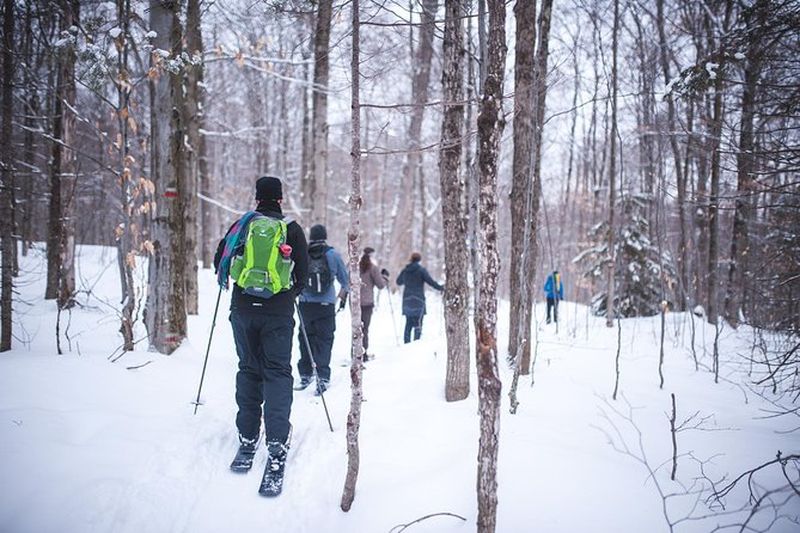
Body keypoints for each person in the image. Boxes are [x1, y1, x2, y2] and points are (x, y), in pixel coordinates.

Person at [213, 176, 308, 491]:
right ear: (280, 199)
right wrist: (284, 296)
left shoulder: (241, 226)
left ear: (257, 198)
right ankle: (277, 445)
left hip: (243, 311)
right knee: (278, 374)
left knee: (248, 369)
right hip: (278, 314)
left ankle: (248, 437)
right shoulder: (291, 229)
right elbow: (303, 277)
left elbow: (220, 263)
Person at [296, 224, 349, 394]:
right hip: (326, 305)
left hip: (305, 305)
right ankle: (323, 377)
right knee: (324, 340)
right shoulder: (333, 255)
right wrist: (341, 298)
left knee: (305, 339)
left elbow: (293, 276)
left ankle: (305, 374)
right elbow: (346, 282)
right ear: (325, 236)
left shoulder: (302, 253)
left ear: (310, 236)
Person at [396, 252, 443, 343]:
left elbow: (398, 282)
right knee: (418, 323)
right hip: (418, 299)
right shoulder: (421, 270)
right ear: (419, 260)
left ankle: (406, 345)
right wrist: (441, 288)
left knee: (408, 323)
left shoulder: (405, 270)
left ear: (411, 259)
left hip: (407, 300)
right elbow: (431, 282)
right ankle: (416, 344)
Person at [359, 247, 389, 360]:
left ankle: (355, 353)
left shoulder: (354, 266)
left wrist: (342, 298)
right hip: (367, 303)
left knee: (356, 327)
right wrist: (385, 277)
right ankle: (363, 353)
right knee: (365, 328)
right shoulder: (373, 268)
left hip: (355, 302)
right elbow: (381, 285)